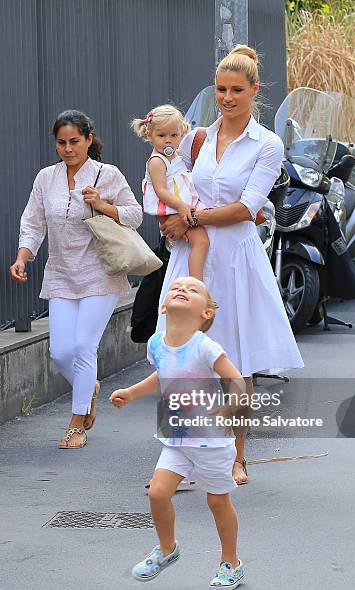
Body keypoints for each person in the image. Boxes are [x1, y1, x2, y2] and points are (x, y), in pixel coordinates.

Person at [158, 45, 304, 484]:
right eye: (220, 89)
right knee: (182, 359)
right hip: (192, 255)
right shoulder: (198, 137)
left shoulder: (268, 144)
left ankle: (237, 455)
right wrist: (172, 215)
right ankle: (180, 462)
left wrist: (192, 218)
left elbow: (247, 208)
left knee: (235, 364)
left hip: (236, 258)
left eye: (237, 90)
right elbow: (170, 177)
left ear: (254, 90)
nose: (226, 97)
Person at [9, 110, 143, 449]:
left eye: (74, 141)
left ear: (88, 140)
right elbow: (33, 223)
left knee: (84, 346)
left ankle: (76, 423)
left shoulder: (106, 174)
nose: (68, 148)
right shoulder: (45, 179)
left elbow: (135, 214)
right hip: (61, 274)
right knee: (60, 351)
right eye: (61, 143)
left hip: (101, 273)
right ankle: (89, 387)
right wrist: (23, 257)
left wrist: (104, 205)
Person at [110, 276, 246, 590]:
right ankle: (167, 549)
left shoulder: (205, 347)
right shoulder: (157, 343)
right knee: (158, 492)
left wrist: (228, 409)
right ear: (164, 305)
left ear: (206, 313)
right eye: (176, 287)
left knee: (217, 501)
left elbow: (237, 381)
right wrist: (131, 392)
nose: (182, 289)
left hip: (211, 441)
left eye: (193, 289)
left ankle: (231, 562)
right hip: (175, 437)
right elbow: (162, 375)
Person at [132, 105, 209, 280]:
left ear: (181, 134)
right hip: (171, 208)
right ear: (149, 134)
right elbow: (160, 190)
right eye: (161, 135)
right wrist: (181, 206)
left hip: (178, 206)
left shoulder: (174, 154)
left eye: (173, 135)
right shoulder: (157, 161)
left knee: (199, 240)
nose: (168, 140)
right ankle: (197, 285)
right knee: (201, 242)